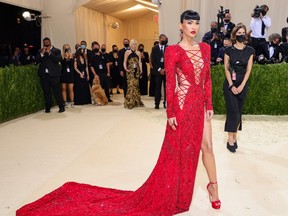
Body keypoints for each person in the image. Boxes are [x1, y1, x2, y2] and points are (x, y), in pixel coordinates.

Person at [16, 10, 220, 216]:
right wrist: (171, 112)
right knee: (179, 151)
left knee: (207, 147)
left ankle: (214, 187)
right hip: (183, 105)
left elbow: (207, 79)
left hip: (200, 105)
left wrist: (209, 104)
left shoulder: (205, 48)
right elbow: (169, 83)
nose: (193, 27)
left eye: (196, 23)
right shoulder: (173, 51)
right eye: (189, 22)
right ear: (180, 26)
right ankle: (178, 192)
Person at [223, 23, 255, 153]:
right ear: (234, 34)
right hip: (230, 84)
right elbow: (226, 68)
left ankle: (234, 137)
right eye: (239, 33)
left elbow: (248, 70)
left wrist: (242, 86)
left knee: (238, 112)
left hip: (243, 84)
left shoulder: (250, 51)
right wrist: (231, 85)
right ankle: (230, 139)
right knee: (233, 111)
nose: (241, 35)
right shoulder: (228, 50)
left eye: (243, 33)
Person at [36, 37, 64, 113]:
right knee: (46, 92)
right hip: (44, 75)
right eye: (44, 43)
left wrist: (50, 53)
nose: (46, 44)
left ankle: (61, 107)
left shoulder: (56, 50)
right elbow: (37, 60)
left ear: (50, 42)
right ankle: (48, 107)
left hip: (54, 75)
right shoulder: (40, 51)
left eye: (47, 42)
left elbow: (58, 59)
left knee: (57, 92)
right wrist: (42, 54)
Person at [123, 39, 144, 109]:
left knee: (136, 86)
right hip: (130, 72)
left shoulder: (138, 53)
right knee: (131, 86)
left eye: (135, 44)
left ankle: (136, 102)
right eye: (133, 44)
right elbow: (124, 61)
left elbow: (140, 62)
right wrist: (126, 69)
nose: (134, 45)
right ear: (130, 45)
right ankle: (129, 102)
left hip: (136, 71)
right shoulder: (127, 52)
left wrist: (141, 71)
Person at [151, 34, 168, 109]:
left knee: (166, 88)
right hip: (157, 72)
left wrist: (165, 69)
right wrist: (159, 69)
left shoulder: (168, 48)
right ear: (160, 39)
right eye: (163, 39)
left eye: (165, 39)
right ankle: (157, 103)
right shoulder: (154, 48)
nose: (164, 40)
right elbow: (153, 61)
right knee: (157, 88)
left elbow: (170, 60)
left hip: (166, 71)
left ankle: (166, 103)